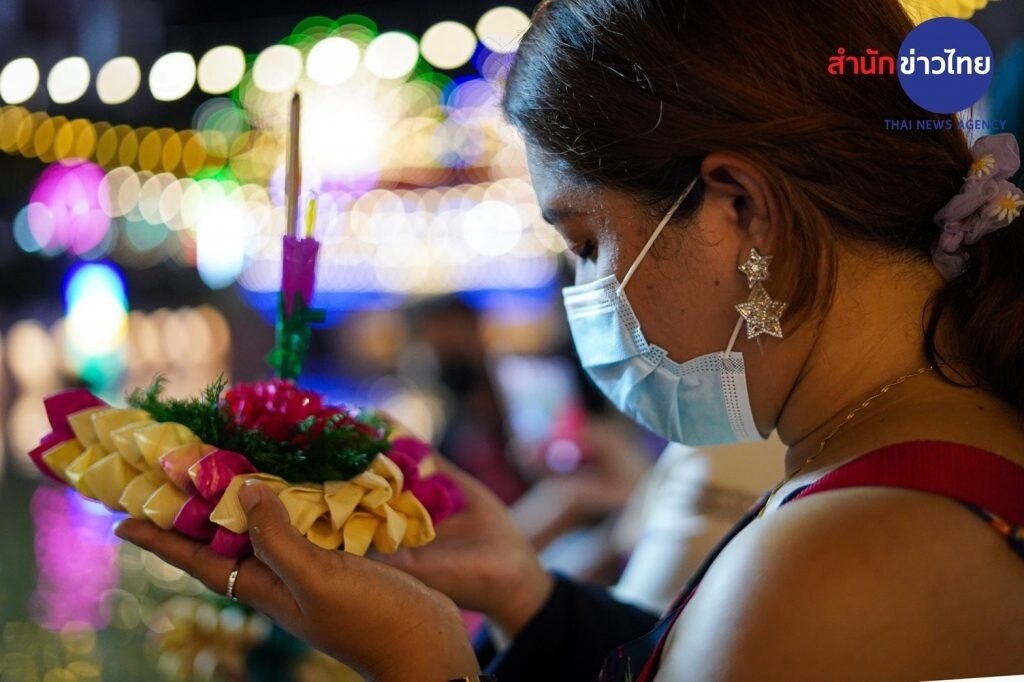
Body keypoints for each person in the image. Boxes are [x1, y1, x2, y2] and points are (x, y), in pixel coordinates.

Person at [115, 0, 1024, 679]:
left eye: (588, 245)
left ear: (739, 209)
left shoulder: (833, 561)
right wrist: (526, 595)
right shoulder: (895, 458)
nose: (582, 294)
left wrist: (428, 666)